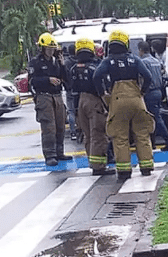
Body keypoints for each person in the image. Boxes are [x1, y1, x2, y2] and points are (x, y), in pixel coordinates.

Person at [93, 30, 155, 180]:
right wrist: (143, 92)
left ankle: (124, 171)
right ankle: (146, 167)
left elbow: (96, 76)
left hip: (118, 99)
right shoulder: (134, 59)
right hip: (136, 98)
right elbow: (148, 76)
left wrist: (103, 94)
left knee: (120, 136)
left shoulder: (108, 61)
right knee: (142, 133)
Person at [70, 38, 115, 176]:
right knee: (98, 134)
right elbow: (101, 84)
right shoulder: (94, 68)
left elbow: (72, 89)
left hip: (80, 101)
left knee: (88, 135)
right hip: (94, 101)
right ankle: (99, 167)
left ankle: (93, 162)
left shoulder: (74, 68)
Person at [28, 32, 74, 166]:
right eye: (48, 48)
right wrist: (48, 80)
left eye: (52, 49)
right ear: (42, 49)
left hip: (57, 96)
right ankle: (50, 155)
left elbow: (67, 80)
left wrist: (63, 64)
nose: (51, 51)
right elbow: (33, 81)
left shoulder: (57, 62)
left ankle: (60, 152)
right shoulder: (35, 62)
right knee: (49, 127)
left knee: (60, 125)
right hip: (44, 96)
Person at [138, 40, 168, 151]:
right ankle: (152, 143)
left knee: (156, 118)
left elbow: (142, 78)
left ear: (141, 50)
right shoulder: (156, 61)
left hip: (149, 93)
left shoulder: (143, 62)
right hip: (158, 91)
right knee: (152, 117)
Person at [64, 44, 79, 141]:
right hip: (79, 89)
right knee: (80, 110)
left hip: (69, 89)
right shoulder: (79, 61)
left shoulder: (66, 63)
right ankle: (82, 130)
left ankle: (73, 132)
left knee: (71, 111)